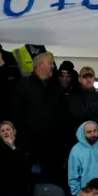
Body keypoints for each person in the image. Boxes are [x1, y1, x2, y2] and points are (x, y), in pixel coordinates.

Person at [11, 52, 65, 184]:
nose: (52, 66)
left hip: (52, 150)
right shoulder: (22, 85)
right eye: (50, 63)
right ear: (39, 64)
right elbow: (15, 114)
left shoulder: (55, 87)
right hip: (29, 149)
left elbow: (62, 115)